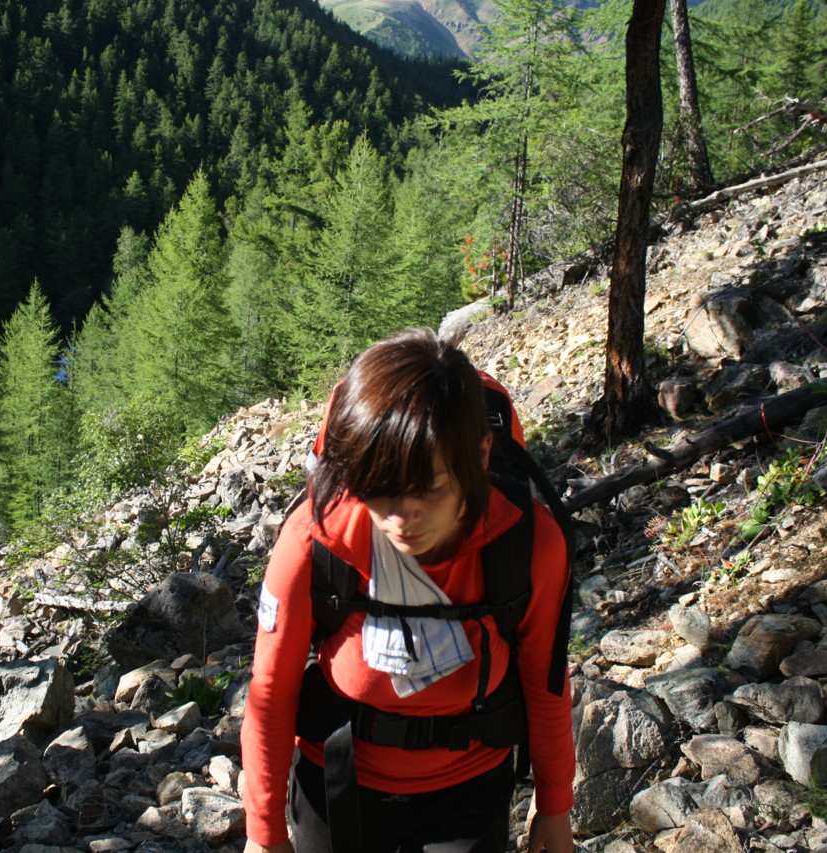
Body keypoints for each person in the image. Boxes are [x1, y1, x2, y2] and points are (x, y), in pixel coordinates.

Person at [241, 328, 576, 853]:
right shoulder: (315, 538)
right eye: (379, 490)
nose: (401, 519)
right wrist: (264, 834)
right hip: (336, 775)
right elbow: (270, 689)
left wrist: (554, 808)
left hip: (468, 788)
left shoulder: (526, 544)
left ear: (481, 455)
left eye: (430, 490)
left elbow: (547, 681)